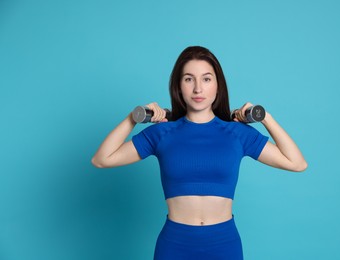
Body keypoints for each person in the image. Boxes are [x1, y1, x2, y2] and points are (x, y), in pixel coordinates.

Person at [91, 46, 307, 259]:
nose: (198, 89)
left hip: (224, 243)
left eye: (206, 79)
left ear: (218, 86)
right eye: (188, 79)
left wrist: (265, 117)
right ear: (178, 86)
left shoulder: (237, 133)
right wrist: (132, 119)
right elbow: (102, 159)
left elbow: (296, 163)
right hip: (174, 244)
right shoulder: (162, 133)